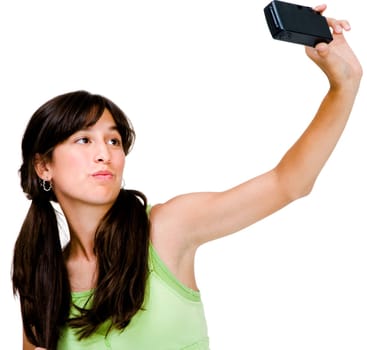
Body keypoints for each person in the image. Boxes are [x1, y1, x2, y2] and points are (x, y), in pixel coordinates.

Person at [12, 4, 362, 350]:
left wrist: (343, 86)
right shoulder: (43, 277)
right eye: (84, 140)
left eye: (113, 140)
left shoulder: (166, 229)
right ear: (44, 167)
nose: (104, 153)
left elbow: (288, 183)